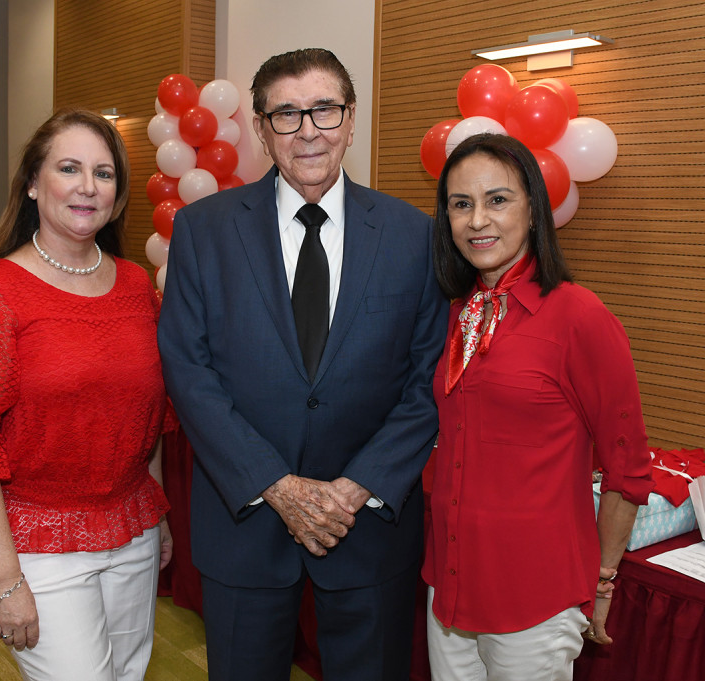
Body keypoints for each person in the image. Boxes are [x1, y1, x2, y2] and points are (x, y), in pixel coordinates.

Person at [158, 48, 449, 681]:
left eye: (324, 109)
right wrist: (278, 486)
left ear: (351, 119)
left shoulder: (413, 235)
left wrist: (355, 488)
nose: (308, 130)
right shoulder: (202, 231)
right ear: (261, 130)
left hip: (369, 526)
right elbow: (188, 370)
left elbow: (427, 379)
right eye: (286, 114)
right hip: (246, 523)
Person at [0, 108, 173, 681]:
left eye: (104, 173)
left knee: (128, 674)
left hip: (130, 530)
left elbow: (150, 414)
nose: (89, 187)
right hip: (34, 544)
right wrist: (3, 578)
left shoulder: (137, 285)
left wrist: (155, 512)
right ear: (34, 184)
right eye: (69, 168)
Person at [423, 132, 654, 681]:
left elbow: (628, 467)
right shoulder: (459, 315)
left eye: (497, 200)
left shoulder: (579, 316)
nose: (477, 220)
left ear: (533, 207)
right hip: (450, 584)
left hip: (535, 596)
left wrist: (602, 581)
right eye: (461, 204)